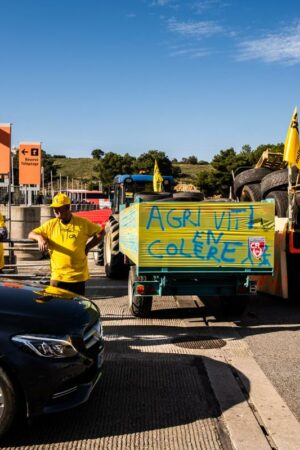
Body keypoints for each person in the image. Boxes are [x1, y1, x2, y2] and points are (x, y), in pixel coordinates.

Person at [28, 193, 104, 295]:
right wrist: (39, 238)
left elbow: (101, 232)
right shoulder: (51, 224)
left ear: (67, 207)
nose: (55, 211)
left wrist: (88, 247)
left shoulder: (82, 223)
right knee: (56, 307)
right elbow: (31, 234)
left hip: (77, 277)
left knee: (77, 307)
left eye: (58, 208)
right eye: (54, 208)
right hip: (58, 277)